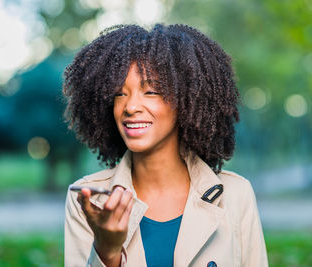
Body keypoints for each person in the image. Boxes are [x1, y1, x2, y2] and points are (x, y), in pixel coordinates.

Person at [63, 24, 268, 267]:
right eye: (119, 93)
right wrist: (107, 252)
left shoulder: (236, 194)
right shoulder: (89, 199)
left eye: (150, 91)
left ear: (188, 100)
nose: (130, 107)